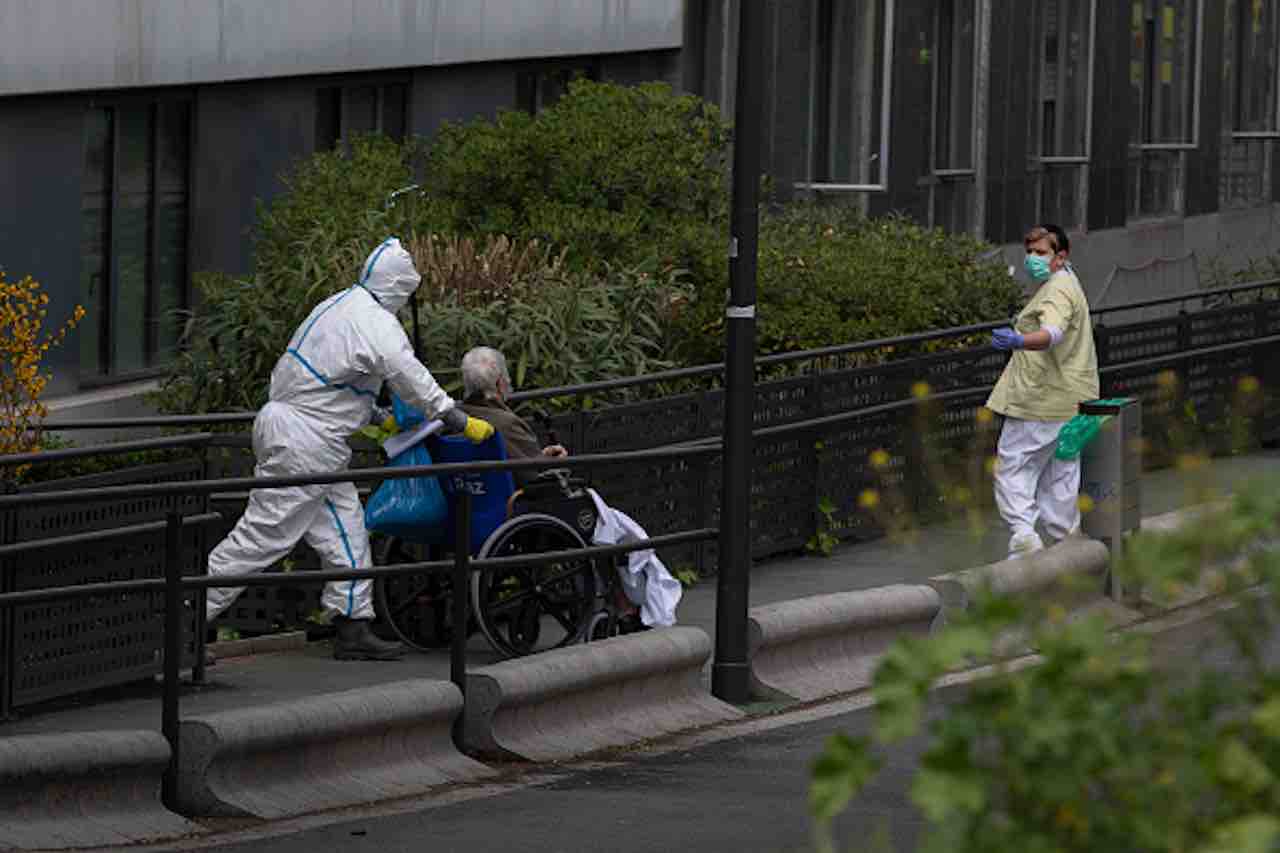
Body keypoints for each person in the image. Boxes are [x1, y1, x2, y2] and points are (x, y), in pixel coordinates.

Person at [205, 238, 495, 660]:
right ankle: (184, 622)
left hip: (303, 432)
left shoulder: (339, 305)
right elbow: (404, 371)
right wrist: (453, 416)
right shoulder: (375, 322)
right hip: (307, 440)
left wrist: (374, 417)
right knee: (263, 536)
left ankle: (352, 624)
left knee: (346, 528)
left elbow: (326, 379)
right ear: (398, 288)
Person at [457, 346, 682, 629]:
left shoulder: (456, 420)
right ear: (501, 383)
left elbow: (519, 464)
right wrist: (556, 462)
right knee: (605, 524)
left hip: (470, 510)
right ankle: (627, 604)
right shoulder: (506, 423)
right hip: (520, 509)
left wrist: (541, 457)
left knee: (606, 521)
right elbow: (536, 476)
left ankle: (627, 600)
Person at [985, 224, 1100, 559]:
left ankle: (1024, 535)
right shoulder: (1070, 282)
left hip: (1041, 399)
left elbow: (1052, 333)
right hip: (1074, 399)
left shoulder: (1056, 291)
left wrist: (1020, 340)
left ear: (1060, 256)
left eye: (1041, 253)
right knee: (1059, 473)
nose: (1032, 259)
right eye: (1030, 252)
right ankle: (1069, 546)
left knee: (1014, 466)